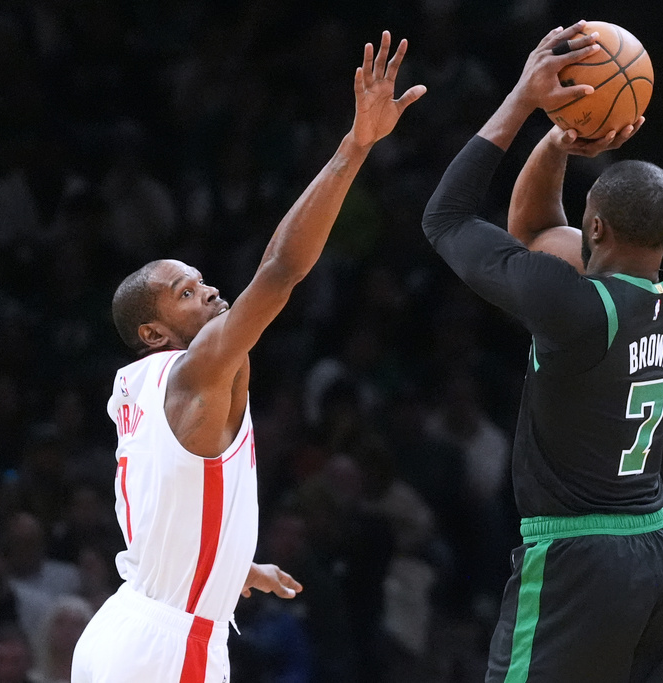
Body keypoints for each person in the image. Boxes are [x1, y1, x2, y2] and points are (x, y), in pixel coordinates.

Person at [71, 31, 425, 683]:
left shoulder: (135, 384)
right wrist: (355, 146)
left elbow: (163, 511)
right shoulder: (197, 368)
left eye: (201, 279)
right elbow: (282, 269)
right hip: (167, 644)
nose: (208, 290)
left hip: (124, 625)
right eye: (185, 292)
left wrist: (230, 566)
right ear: (154, 331)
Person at [422, 20, 663, 681]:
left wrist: (523, 101)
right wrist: (560, 140)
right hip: (658, 551)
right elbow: (540, 229)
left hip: (581, 559)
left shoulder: (575, 306)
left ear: (594, 225)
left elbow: (447, 218)